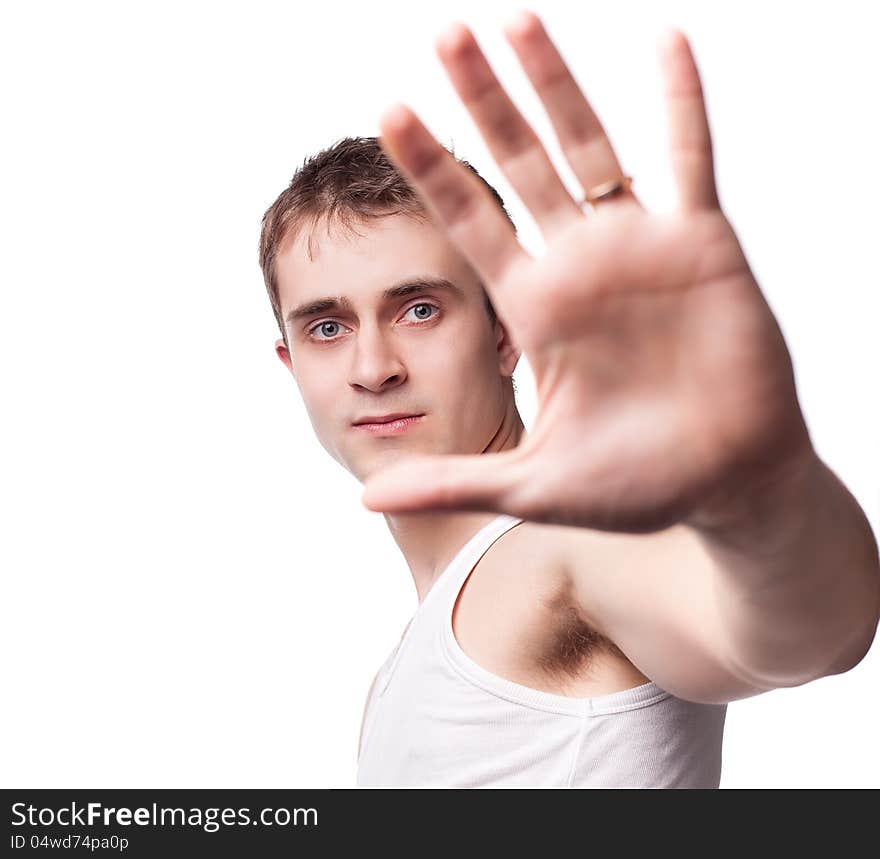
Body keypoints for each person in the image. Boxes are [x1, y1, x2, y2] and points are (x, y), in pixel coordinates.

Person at [257, 11, 880, 787]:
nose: (373, 365)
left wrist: (766, 490)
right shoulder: (398, 672)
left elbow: (813, 633)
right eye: (327, 326)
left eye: (419, 308)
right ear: (290, 363)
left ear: (508, 331)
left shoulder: (562, 548)